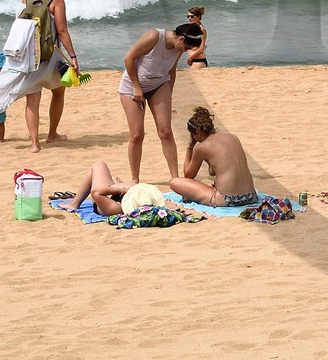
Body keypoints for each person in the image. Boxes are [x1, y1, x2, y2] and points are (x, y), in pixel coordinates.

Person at [118, 21, 203, 182]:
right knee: (137, 135)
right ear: (181, 39)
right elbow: (129, 59)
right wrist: (137, 87)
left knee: (166, 131)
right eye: (186, 48)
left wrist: (169, 92)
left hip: (159, 84)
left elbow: (171, 70)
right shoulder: (154, 36)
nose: (185, 52)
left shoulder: (178, 48)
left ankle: (175, 177)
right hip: (133, 85)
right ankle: (135, 179)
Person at [21, 0, 79, 153]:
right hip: (52, 57)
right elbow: (62, 31)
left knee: (32, 98)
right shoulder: (56, 1)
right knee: (59, 92)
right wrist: (73, 57)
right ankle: (52, 134)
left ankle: (35, 143)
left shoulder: (26, 1)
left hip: (31, 58)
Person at [169, 106, 257, 206]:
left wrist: (190, 147)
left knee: (174, 182)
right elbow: (214, 171)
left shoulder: (202, 147)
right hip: (251, 196)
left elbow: (188, 175)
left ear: (197, 133)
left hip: (227, 199)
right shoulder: (233, 137)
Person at [67, 159, 131, 217]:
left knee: (98, 165)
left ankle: (74, 203)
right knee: (100, 166)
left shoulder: (118, 207)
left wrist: (122, 190)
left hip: (109, 200)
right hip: (119, 197)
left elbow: (96, 192)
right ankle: (118, 186)